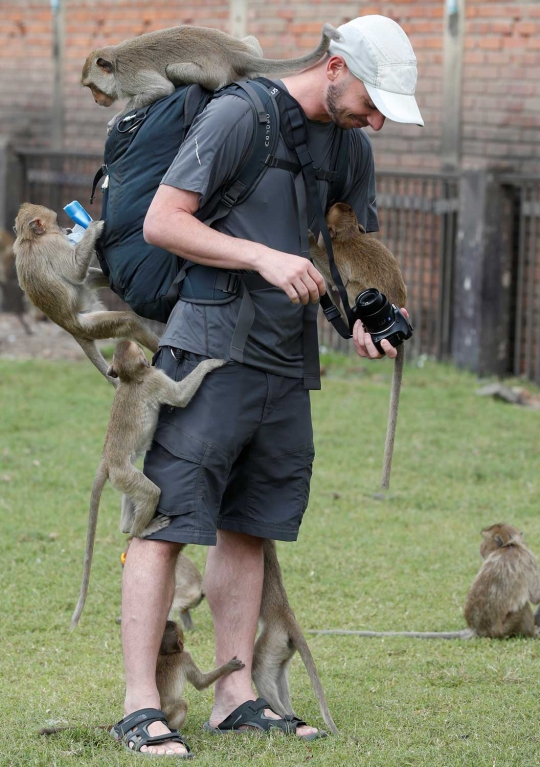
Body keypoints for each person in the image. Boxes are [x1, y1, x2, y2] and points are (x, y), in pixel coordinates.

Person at [114, 14, 423, 757]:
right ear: (336, 65)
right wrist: (260, 256)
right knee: (167, 523)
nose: (377, 119)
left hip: (287, 361)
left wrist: (358, 319)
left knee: (249, 523)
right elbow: (163, 221)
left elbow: (338, 251)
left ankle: (235, 696)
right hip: (210, 345)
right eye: (372, 99)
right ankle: (139, 705)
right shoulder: (237, 117)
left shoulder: (349, 148)